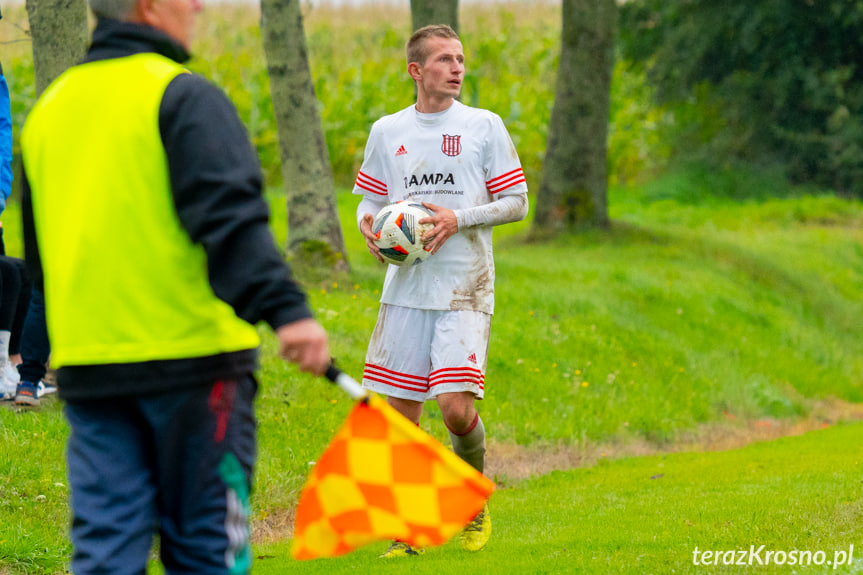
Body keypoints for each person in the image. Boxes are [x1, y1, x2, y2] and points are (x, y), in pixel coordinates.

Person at [19, 0, 330, 572]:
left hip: (92, 372)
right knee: (207, 552)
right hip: (196, 369)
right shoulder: (185, 96)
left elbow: (39, 262)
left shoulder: (50, 108)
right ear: (151, 5)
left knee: (105, 553)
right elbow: (230, 221)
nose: (199, 5)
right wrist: (289, 311)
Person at [353, 24, 529, 557]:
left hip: (465, 286)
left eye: (460, 59)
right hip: (406, 289)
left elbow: (517, 201)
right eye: (444, 60)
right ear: (416, 70)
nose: (457, 68)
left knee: (454, 408)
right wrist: (369, 227)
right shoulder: (388, 131)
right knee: (401, 417)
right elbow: (368, 201)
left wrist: (459, 218)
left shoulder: (483, 126)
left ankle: (471, 503)